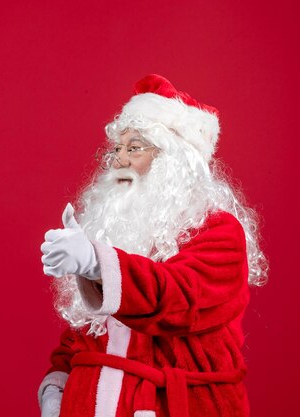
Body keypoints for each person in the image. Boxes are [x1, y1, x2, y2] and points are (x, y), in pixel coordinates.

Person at [39, 74, 268, 417]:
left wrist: (97, 263)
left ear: (175, 162)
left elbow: (177, 297)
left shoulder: (219, 231)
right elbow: (86, 332)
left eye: (134, 148)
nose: (119, 161)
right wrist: (58, 385)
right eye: (117, 149)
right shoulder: (114, 229)